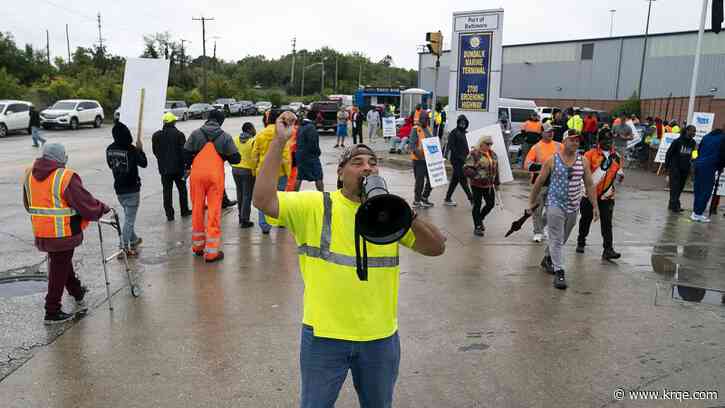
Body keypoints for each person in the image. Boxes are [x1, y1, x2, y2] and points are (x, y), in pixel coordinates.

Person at [252, 112, 446, 407]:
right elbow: (264, 200)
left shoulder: (390, 215)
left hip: (380, 339)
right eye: (357, 163)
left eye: (372, 163)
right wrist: (279, 142)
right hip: (324, 337)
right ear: (340, 173)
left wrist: (407, 214)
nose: (367, 168)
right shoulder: (317, 205)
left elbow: (436, 247)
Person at [24, 143, 110, 323]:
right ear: (61, 158)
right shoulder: (65, 176)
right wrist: (102, 208)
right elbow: (85, 203)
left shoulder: (29, 174)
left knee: (61, 263)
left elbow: (28, 203)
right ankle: (52, 310)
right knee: (58, 268)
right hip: (63, 233)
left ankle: (76, 291)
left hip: (42, 231)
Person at [527, 130, 599, 289]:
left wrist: (595, 206)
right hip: (554, 204)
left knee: (563, 237)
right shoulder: (552, 161)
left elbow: (589, 184)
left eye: (577, 141)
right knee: (557, 238)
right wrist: (531, 202)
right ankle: (559, 272)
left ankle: (548, 258)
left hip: (573, 205)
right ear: (564, 141)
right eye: (572, 140)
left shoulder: (584, 161)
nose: (575, 143)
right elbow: (539, 182)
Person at [184, 109, 241, 261]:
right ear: (221, 121)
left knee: (197, 209)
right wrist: (225, 153)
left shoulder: (195, 134)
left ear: (208, 119)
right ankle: (211, 253)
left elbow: (185, 155)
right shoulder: (225, 136)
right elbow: (236, 159)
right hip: (215, 177)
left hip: (197, 177)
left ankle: (198, 247)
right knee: (214, 212)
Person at [576, 130, 623, 260]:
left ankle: (608, 249)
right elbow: (583, 174)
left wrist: (618, 180)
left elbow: (618, 174)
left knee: (607, 223)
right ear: (599, 141)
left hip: (607, 196)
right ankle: (581, 241)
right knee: (586, 219)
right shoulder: (590, 154)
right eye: (605, 140)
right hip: (590, 195)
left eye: (610, 140)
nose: (608, 143)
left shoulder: (616, 156)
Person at [107, 122, 148, 256]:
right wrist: (140, 149)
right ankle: (123, 248)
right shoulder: (131, 149)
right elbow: (144, 163)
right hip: (132, 189)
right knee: (129, 220)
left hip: (119, 189)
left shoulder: (109, 149)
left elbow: (110, 165)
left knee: (128, 218)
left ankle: (134, 240)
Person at [251, 109, 292, 233]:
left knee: (263, 198)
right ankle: (280, 221)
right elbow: (285, 156)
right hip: (280, 172)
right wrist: (287, 173)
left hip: (263, 172)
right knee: (280, 198)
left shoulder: (260, 134)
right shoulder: (282, 135)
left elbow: (254, 155)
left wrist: (254, 171)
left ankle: (265, 226)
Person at [524, 123, 562, 243]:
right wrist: (544, 167)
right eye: (548, 131)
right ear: (542, 133)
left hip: (556, 183)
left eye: (552, 131)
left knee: (552, 210)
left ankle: (541, 227)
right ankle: (538, 232)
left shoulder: (559, 146)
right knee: (537, 209)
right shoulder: (536, 147)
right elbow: (527, 165)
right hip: (539, 183)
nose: (551, 133)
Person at [152, 112, 191, 222]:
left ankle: (169, 215)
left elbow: (155, 151)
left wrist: (162, 160)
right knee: (182, 190)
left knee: (167, 192)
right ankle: (184, 211)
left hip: (164, 169)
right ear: (173, 122)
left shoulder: (156, 135)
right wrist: (187, 166)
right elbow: (184, 152)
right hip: (178, 169)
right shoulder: (179, 134)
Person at [464, 135, 500, 236]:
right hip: (477, 185)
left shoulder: (493, 155)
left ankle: (479, 219)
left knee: (490, 204)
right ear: (481, 143)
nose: (489, 146)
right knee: (477, 205)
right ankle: (478, 226)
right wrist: (477, 176)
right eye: (487, 144)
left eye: (491, 144)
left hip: (489, 185)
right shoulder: (474, 154)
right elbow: (466, 168)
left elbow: (496, 169)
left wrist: (497, 182)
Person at [691, 127, 724, 222]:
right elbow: (722, 155)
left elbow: (699, 150)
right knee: (706, 191)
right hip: (709, 166)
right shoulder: (722, 138)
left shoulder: (706, 137)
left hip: (699, 164)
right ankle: (698, 214)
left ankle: (696, 212)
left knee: (698, 190)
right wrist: (720, 167)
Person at [664, 125, 696, 213]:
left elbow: (694, 154)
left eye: (695, 131)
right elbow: (669, 153)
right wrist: (666, 166)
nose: (694, 133)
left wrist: (694, 160)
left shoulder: (693, 143)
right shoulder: (677, 141)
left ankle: (672, 204)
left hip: (685, 168)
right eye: (692, 131)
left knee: (680, 187)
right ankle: (675, 205)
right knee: (674, 187)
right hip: (675, 167)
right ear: (687, 131)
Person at [443, 114, 473, 206]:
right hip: (456, 161)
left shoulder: (467, 133)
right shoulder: (454, 132)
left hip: (464, 160)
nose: (463, 124)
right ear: (458, 122)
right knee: (463, 180)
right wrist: (460, 157)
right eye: (461, 122)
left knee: (455, 180)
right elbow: (452, 147)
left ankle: (447, 198)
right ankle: (472, 200)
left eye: (464, 122)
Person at [232, 122, 257, 228]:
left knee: (240, 193)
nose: (255, 130)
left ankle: (240, 216)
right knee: (247, 195)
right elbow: (255, 157)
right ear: (249, 130)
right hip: (247, 171)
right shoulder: (253, 141)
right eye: (253, 128)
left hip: (235, 169)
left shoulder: (235, 139)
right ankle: (245, 219)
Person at [409, 114, 434, 208]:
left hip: (429, 159)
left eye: (427, 119)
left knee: (432, 180)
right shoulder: (415, 129)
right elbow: (411, 145)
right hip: (418, 160)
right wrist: (418, 153)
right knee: (420, 181)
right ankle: (417, 200)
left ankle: (424, 197)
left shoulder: (428, 128)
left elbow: (432, 142)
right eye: (424, 119)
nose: (426, 121)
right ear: (420, 119)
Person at [294, 118, 324, 192]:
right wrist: (318, 152)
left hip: (300, 155)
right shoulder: (311, 128)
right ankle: (322, 195)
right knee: (318, 176)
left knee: (299, 176)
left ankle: (294, 194)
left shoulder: (300, 128)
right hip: (310, 156)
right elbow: (313, 143)